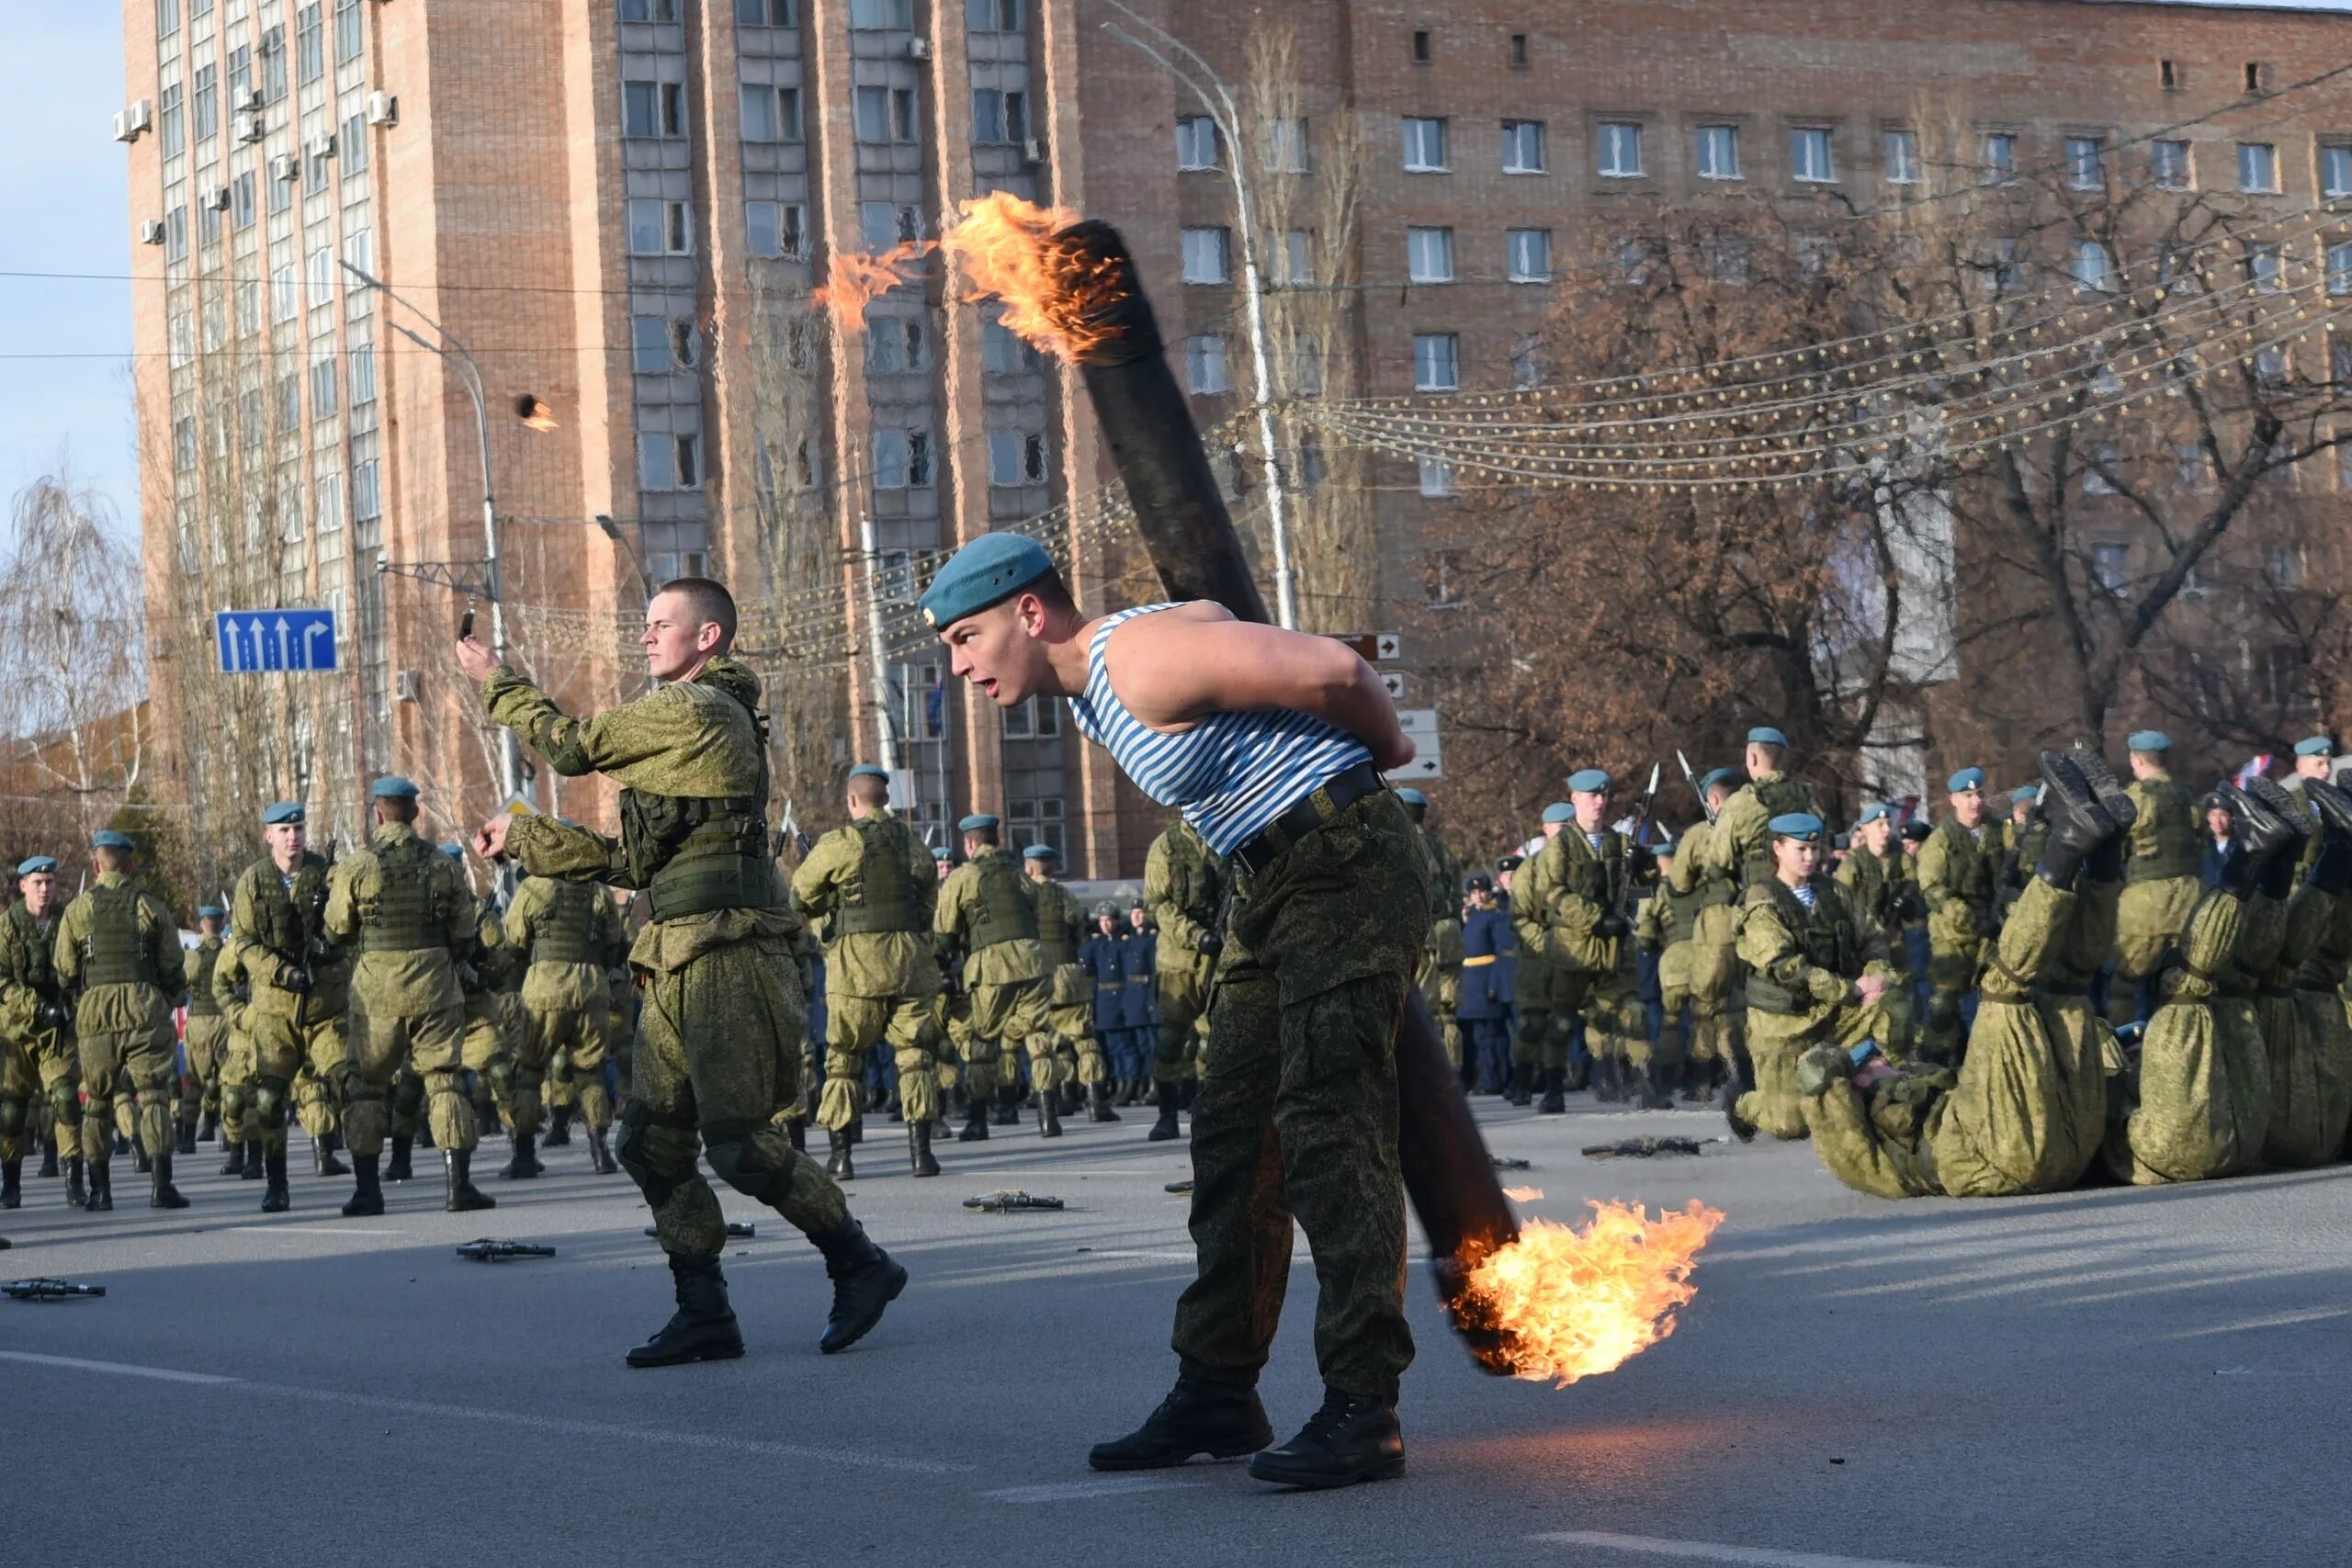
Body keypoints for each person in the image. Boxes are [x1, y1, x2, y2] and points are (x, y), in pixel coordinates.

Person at [921, 531, 1424, 1489]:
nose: (958, 665)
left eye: (965, 637)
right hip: (1270, 881)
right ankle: (1218, 1390)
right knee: (1232, 1141)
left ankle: (1365, 1407)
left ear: (1030, 613)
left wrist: (1390, 748)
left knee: (1328, 1127)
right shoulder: (1100, 686)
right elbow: (1218, 622)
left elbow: (1333, 668)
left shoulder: (1132, 662)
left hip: (1340, 865)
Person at [463, 576, 903, 1363]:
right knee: (651, 1142)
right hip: (671, 952)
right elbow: (627, 858)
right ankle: (704, 1310)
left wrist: (495, 677)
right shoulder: (682, 733)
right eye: (644, 623)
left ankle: (859, 1261)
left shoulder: (697, 710)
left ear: (708, 638)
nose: (644, 635)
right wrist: (525, 836)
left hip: (726, 952)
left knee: (737, 1142)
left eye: (660, 623)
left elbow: (570, 744)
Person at [1803, 749, 2129, 1198]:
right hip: (1995, 1155)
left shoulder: (1908, 1088)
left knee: (2068, 987)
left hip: (2063, 1149)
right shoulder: (1871, 1139)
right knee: (1998, 993)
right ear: (1852, 1089)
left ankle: (2105, 855)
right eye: (1868, 1066)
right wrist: (1837, 1073)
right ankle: (2073, 843)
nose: (1880, 1062)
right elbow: (1820, 1081)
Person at [2105, 778, 2304, 1184]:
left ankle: (2292, 855)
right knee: (2202, 981)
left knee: (2238, 976)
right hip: (2204, 1137)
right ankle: (2272, 855)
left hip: (2232, 1140)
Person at [324, 782, 493, 1217]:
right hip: (435, 987)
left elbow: (336, 930)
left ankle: (367, 1192)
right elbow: (463, 932)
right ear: (415, 813)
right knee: (445, 1081)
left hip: (377, 992)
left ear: (378, 815)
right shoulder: (443, 865)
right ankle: (459, 1187)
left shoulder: (357, 867)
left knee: (367, 1090)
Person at [790, 764, 946, 1178]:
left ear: (852, 801)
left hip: (856, 965)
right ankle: (921, 1155)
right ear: (887, 800)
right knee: (915, 1056)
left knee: (843, 1059)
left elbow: (800, 895)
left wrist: (827, 918)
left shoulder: (840, 842)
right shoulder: (915, 846)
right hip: (911, 961)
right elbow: (929, 906)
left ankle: (842, 1158)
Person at [1725, 813, 1893, 1141]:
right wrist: (1850, 989)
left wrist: (1877, 977)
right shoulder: (1761, 900)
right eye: (1800, 849)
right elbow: (1786, 966)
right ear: (1778, 848)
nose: (1810, 857)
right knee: (1791, 1123)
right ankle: (1743, 1103)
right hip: (1785, 1023)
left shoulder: (1833, 892)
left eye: (1815, 849)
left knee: (1893, 1005)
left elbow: (1873, 937)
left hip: (1834, 1014)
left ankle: (1879, 1086)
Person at [54, 829, 189, 1212]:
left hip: (96, 1011)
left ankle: (100, 1192)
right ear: (130, 865)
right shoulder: (150, 906)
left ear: (96, 865)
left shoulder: (77, 911)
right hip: (144, 1007)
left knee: (96, 1102)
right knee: (154, 1097)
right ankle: (162, 1188)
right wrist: (165, 997)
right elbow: (173, 966)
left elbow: (64, 969)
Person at [229, 800, 351, 1213]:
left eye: (298, 828)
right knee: (268, 1099)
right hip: (275, 1007)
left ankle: (365, 1178)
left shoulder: (327, 873)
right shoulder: (252, 882)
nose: (293, 836)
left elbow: (351, 925)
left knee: (349, 1082)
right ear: (268, 836)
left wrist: (329, 942)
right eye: (283, 830)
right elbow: (244, 943)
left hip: (324, 1004)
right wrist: (282, 972)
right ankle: (276, 1183)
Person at [1518, 770, 1658, 1110]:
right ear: (1575, 799)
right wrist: (1596, 917)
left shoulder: (1619, 843)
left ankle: (1647, 1082)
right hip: (1573, 948)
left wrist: (1646, 866)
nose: (1600, 802)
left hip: (1614, 948)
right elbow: (1551, 893)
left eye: (1604, 796)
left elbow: (1647, 888)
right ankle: (1553, 1089)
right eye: (1592, 796)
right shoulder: (1561, 847)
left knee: (1634, 1013)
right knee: (1562, 1022)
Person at [504, 857, 629, 1176]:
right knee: (591, 1073)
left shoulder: (533, 888)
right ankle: (601, 1152)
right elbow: (615, 944)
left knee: (530, 1072)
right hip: (591, 986)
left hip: (544, 987)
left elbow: (515, 942)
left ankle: (524, 1155)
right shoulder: (598, 892)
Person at [934, 813, 1055, 1138]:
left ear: (969, 843)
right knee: (1036, 1034)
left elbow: (944, 933)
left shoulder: (964, 876)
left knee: (983, 1041)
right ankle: (1048, 1117)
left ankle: (977, 1120)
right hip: (1033, 961)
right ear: (997, 840)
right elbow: (1039, 911)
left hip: (992, 966)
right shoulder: (1019, 875)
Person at [2110, 731, 2202, 1029]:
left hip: (2144, 902)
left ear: (2136, 760)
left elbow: (2116, 849)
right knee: (2184, 985)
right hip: (2191, 898)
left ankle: (2124, 1056)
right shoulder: (2187, 796)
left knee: (2126, 984)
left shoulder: (2133, 798)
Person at [1144, 818, 1225, 1140]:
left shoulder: (1222, 836)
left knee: (1214, 1039)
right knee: (1170, 1040)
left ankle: (1210, 1113)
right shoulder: (1167, 845)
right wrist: (1196, 935)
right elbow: (1158, 906)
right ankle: (1167, 1115)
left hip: (1217, 958)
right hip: (1178, 960)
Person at [1916, 767, 2001, 1066]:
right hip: (1953, 934)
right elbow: (1932, 887)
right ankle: (1936, 1060)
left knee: (1995, 999)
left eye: (1978, 794)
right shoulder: (1941, 840)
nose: (1974, 802)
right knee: (1944, 1004)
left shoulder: (1997, 831)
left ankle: (1986, 1059)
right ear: (1953, 799)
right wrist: (1967, 918)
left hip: (1993, 930)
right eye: (1967, 796)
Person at [1025, 842, 1117, 1122]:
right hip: (1070, 972)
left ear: (1029, 868)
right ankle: (1095, 1103)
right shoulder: (1065, 895)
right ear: (1052, 866)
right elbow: (1078, 928)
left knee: (1048, 1042)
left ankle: (1051, 1109)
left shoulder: (1024, 896)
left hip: (1040, 975)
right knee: (1084, 1039)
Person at [0, 856, 73, 1209]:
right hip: (17, 1029)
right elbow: (2, 980)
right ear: (23, 886)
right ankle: (11, 1183)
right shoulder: (8, 925)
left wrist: (72, 1001)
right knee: (12, 1111)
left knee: (67, 1098)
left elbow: (79, 971)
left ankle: (75, 1181)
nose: (45, 889)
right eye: (38, 883)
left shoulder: (66, 922)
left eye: (50, 882)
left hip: (56, 1031)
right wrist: (36, 1005)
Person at [1835, 803, 1917, 1060]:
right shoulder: (1853, 863)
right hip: (1864, 949)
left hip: (1895, 943)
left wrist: (1904, 912)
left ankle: (1901, 1056)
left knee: (1902, 1001)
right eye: (1878, 825)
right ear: (1865, 829)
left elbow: (1916, 888)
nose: (1885, 830)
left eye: (1887, 824)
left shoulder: (1900, 857)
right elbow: (1839, 904)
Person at [1506, 805, 1573, 1106]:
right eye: (1559, 830)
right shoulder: (1529, 869)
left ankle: (1554, 1089)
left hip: (1568, 956)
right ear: (1546, 830)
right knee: (1531, 1025)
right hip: (1536, 957)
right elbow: (1518, 915)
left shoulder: (1579, 866)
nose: (1565, 836)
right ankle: (1521, 1082)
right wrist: (1544, 942)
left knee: (1561, 1024)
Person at [1397, 790, 1465, 1075]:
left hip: (1422, 935)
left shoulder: (1401, 844)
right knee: (1448, 1012)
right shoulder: (1443, 848)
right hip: (1449, 934)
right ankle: (1454, 1072)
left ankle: (1430, 1075)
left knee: (1422, 1009)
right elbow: (1458, 893)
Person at [176, 904, 230, 1155]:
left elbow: (180, 985)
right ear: (221, 925)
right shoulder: (230, 954)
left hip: (198, 1021)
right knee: (228, 1079)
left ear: (201, 925)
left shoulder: (193, 957)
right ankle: (230, 1136)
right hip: (225, 1020)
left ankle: (188, 1138)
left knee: (196, 1081)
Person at [1457, 874, 1512, 1094]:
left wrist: (1495, 984)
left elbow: (1501, 952)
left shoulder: (1495, 916)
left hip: (1487, 980)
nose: (1478, 896)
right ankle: (1490, 1078)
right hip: (1472, 983)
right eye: (1473, 893)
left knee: (1491, 1036)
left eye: (1482, 891)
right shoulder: (1472, 916)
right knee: (1482, 1036)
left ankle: (1494, 1080)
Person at [1080, 903, 1134, 1100]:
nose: (1106, 924)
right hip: (1103, 1001)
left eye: (1110, 920)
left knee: (1125, 1046)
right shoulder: (1096, 944)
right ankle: (1117, 1082)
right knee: (1111, 1047)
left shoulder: (1124, 943)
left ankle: (1129, 1083)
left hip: (1121, 997)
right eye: (1102, 921)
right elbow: (1086, 966)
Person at [1120, 902, 1159, 1109]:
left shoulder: (1152, 940)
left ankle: (1155, 1086)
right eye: (1133, 912)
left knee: (1153, 1046)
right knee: (1140, 1046)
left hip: (1146, 996)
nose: (1136, 916)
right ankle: (1141, 1085)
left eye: (1140, 912)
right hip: (1133, 998)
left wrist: (1153, 1000)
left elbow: (1154, 971)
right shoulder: (1129, 940)